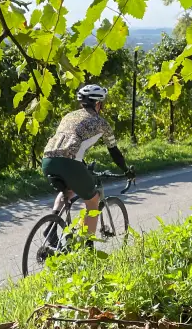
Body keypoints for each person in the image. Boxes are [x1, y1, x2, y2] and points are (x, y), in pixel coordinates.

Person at [41, 84, 134, 237]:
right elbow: (114, 152)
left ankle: (51, 228)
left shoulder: (68, 116)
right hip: (69, 163)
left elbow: (68, 144)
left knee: (68, 191)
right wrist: (126, 170)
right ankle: (87, 246)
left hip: (47, 160)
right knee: (93, 201)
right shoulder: (101, 123)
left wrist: (82, 166)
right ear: (98, 104)